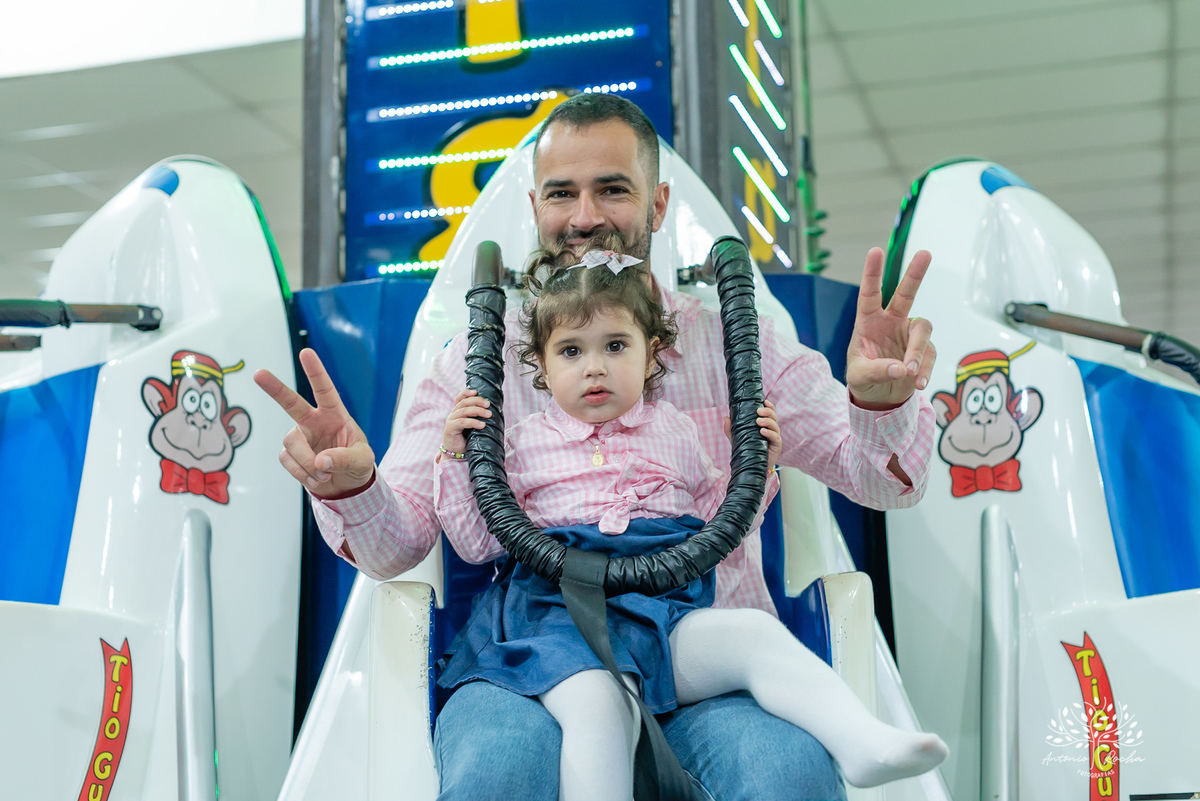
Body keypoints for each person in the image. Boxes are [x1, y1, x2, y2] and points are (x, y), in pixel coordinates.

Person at [254, 93, 939, 800]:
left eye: (612, 189)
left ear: (659, 202)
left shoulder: (740, 344)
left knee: (785, 774)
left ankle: (863, 742)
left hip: (700, 652)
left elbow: (885, 480)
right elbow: (398, 546)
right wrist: (351, 487)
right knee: (496, 775)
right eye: (562, 193)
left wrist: (879, 406)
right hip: (538, 661)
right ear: (536, 206)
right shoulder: (476, 357)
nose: (584, 217)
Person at [432, 242, 948, 800]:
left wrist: (758, 468)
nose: (595, 366)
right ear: (540, 364)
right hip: (560, 624)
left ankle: (862, 742)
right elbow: (477, 542)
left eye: (614, 345)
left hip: (661, 616)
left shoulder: (675, 432)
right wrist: (459, 457)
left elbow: (716, 528)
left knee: (752, 635)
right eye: (571, 352)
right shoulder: (525, 445)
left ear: (651, 356)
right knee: (602, 705)